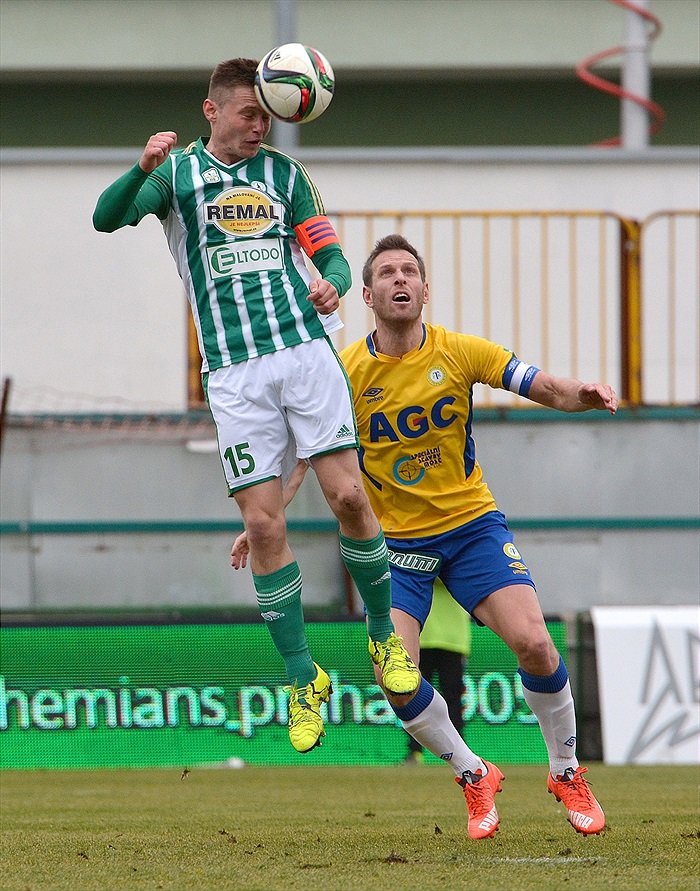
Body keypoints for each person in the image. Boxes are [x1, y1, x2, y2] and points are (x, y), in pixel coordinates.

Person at [92, 60, 419, 756]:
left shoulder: (287, 177)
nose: (259, 126)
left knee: (350, 497)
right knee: (264, 524)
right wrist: (139, 166)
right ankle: (304, 677)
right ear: (212, 111)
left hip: (303, 351)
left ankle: (384, 636)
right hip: (234, 372)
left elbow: (331, 255)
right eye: (248, 114)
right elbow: (105, 218)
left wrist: (333, 285)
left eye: (267, 115)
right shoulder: (177, 175)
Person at [339, 234, 617, 839]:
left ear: (425, 290)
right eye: (386, 273)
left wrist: (583, 395)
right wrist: (263, 523)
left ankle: (566, 771)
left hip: (470, 529)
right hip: (397, 548)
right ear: (367, 295)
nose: (399, 279)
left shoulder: (460, 351)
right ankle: (473, 772)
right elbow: (311, 453)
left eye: (409, 271)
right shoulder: (344, 371)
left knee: (536, 644)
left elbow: (542, 385)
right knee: (395, 677)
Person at [402, 578, 471, 765]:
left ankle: (461, 754)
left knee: (453, 699)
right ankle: (415, 752)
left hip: (452, 639)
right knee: (413, 697)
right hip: (421, 637)